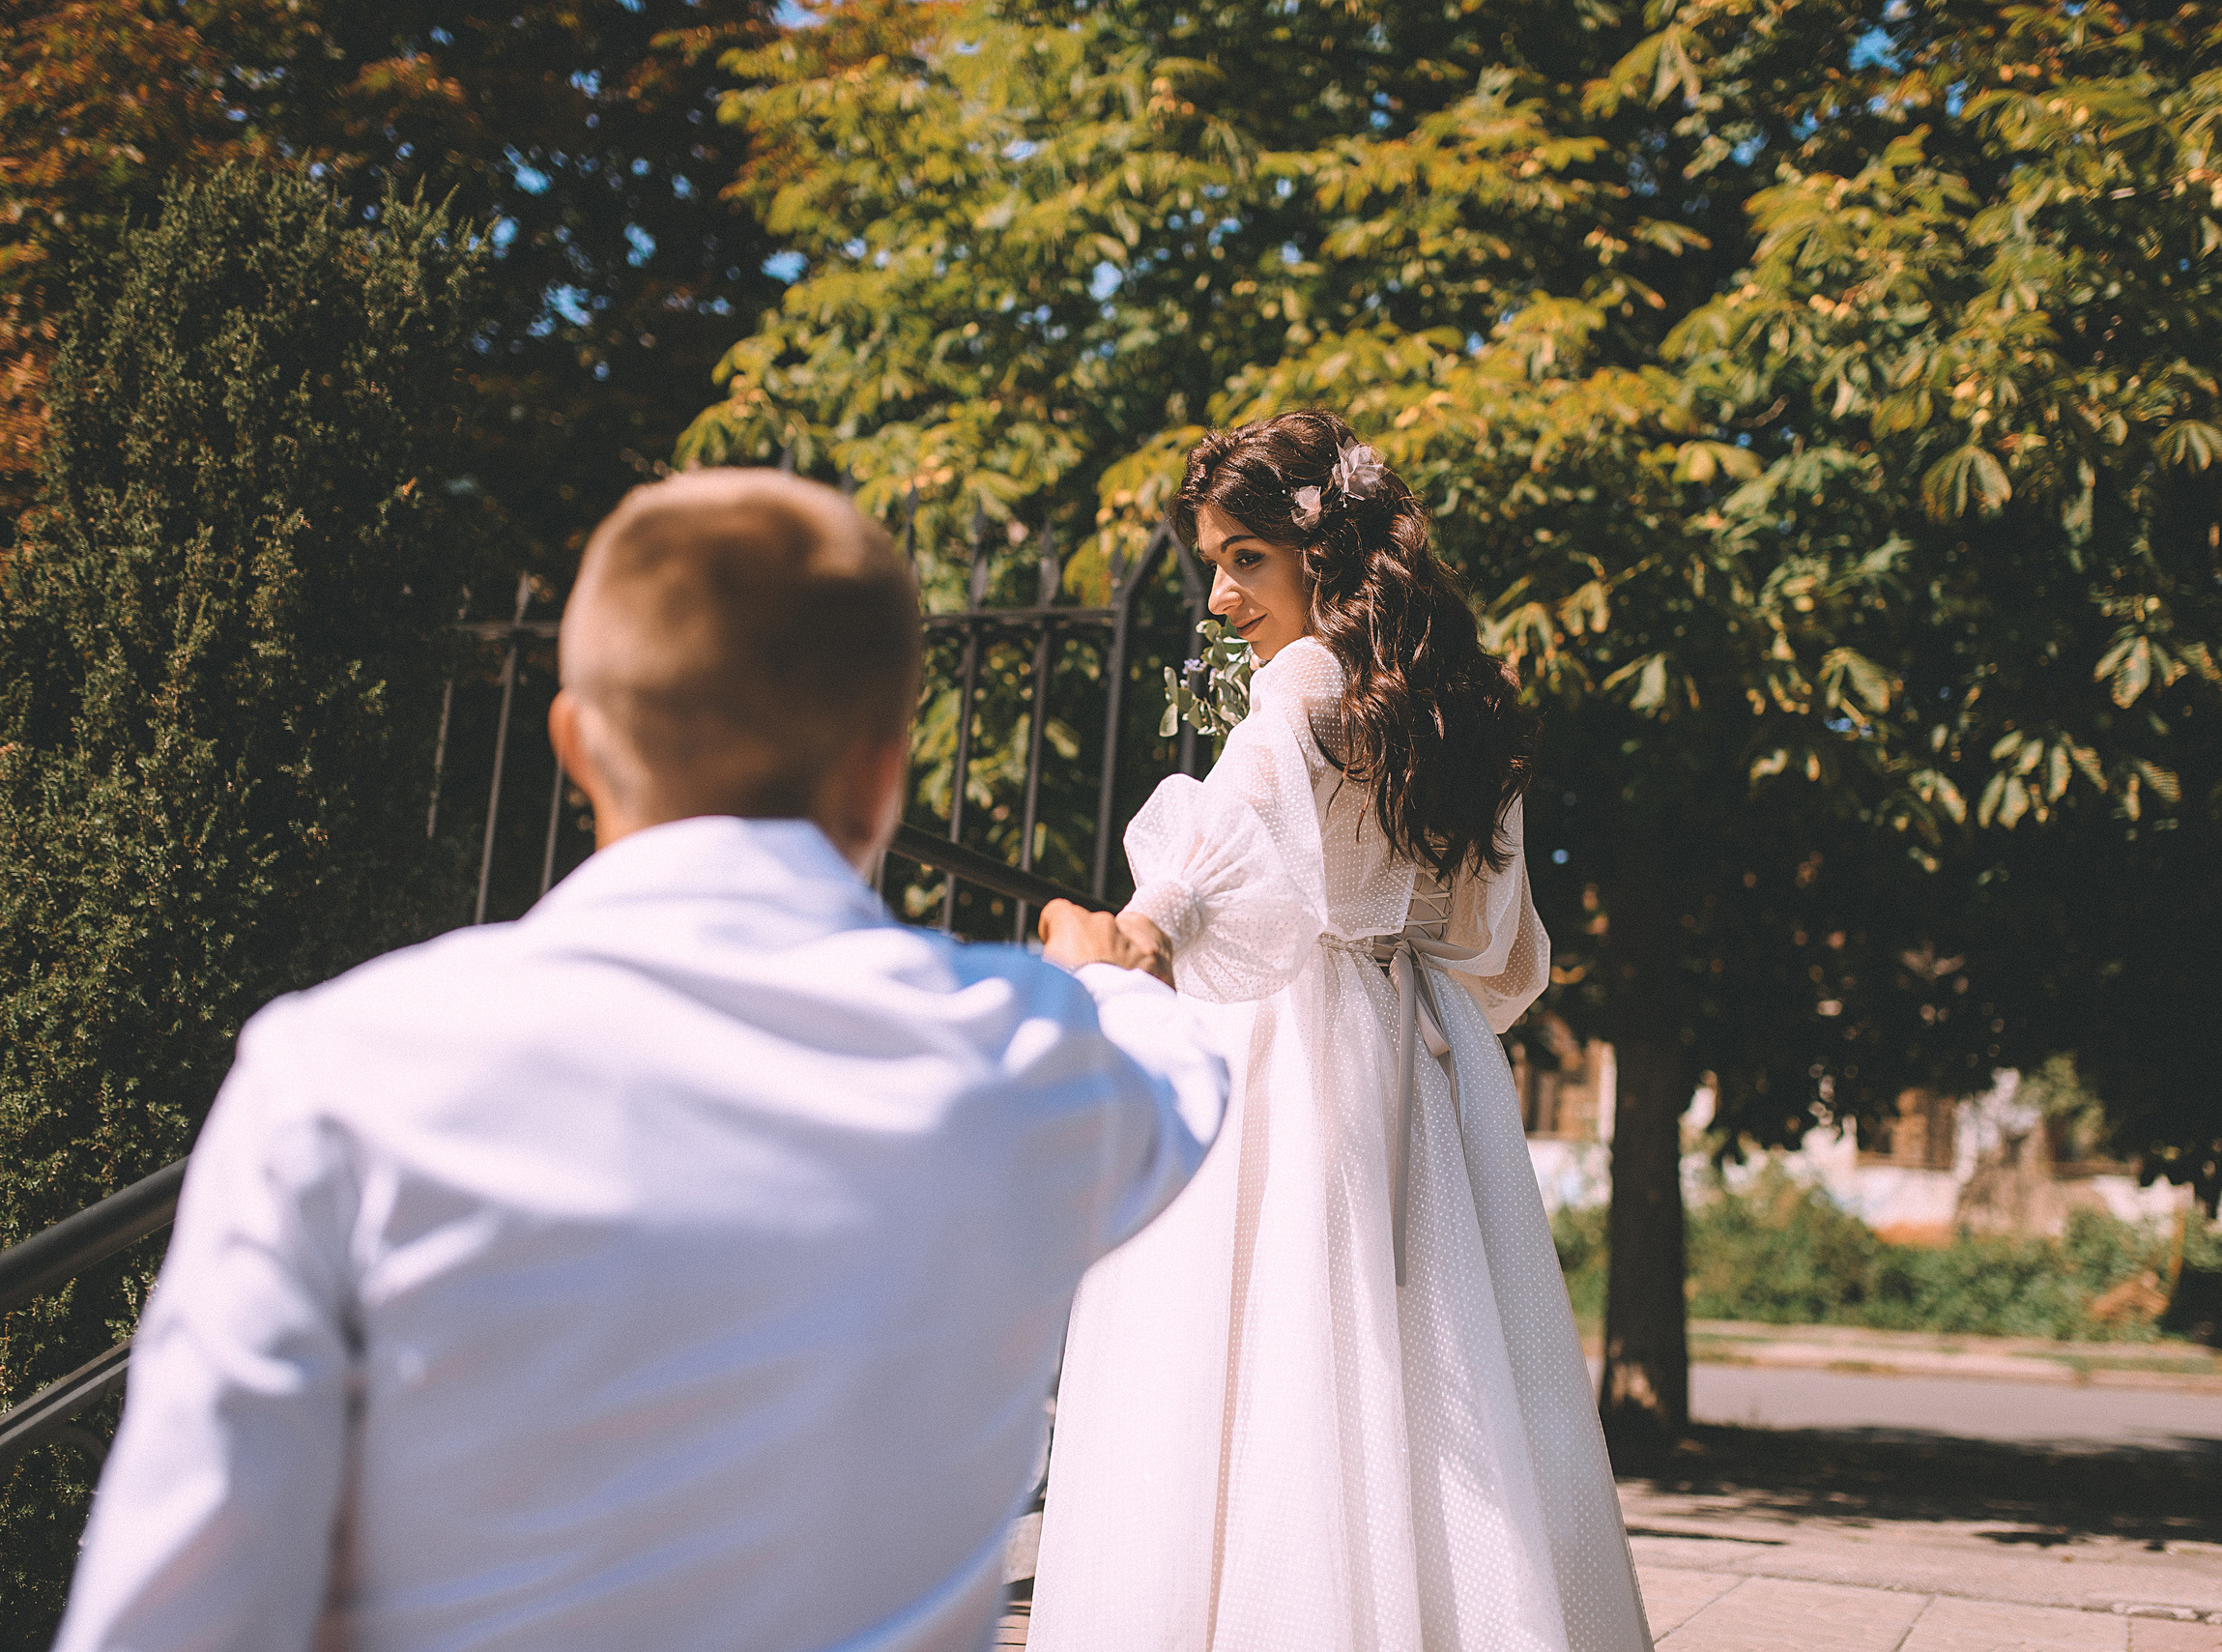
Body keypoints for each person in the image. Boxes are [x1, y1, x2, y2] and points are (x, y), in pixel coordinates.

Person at [51, 469, 1225, 1652]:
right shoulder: (1021, 1058)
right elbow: (1183, 1081)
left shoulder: (338, 1073)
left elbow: (174, 1606)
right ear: (884, 765)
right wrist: (1109, 976)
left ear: (572, 740)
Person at [1027, 412, 1652, 1651]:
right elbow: (1494, 938)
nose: (1217, 595)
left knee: (1280, 1364)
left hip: (1297, 1049)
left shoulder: (1298, 689)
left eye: (1243, 556)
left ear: (1324, 551)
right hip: (1421, 1044)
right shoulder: (1455, 707)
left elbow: (1211, 865)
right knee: (1428, 1366)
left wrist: (1122, 943)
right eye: (1214, 561)